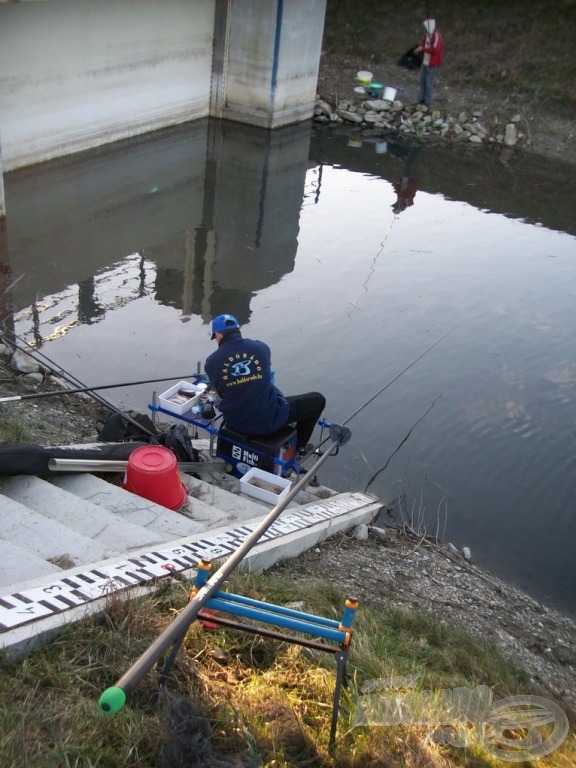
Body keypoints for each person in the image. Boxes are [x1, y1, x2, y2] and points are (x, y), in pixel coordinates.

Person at [204, 314, 326, 455]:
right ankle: (299, 449)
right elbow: (265, 374)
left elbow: (220, 394)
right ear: (239, 330)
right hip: (268, 421)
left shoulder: (211, 362)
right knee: (318, 400)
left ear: (218, 335)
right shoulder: (261, 348)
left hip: (235, 423)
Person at [415, 18, 444, 108]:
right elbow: (423, 43)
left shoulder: (437, 36)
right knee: (422, 80)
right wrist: (420, 47)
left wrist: (422, 49)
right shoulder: (427, 35)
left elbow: (435, 49)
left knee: (429, 83)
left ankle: (427, 102)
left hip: (432, 63)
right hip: (425, 61)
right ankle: (420, 100)